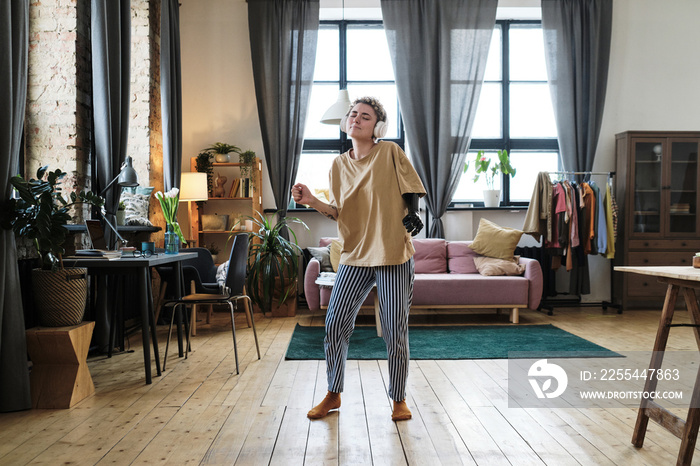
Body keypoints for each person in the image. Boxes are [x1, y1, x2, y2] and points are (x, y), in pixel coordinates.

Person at [292, 96, 426, 421]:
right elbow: (338, 212)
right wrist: (311, 200)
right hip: (354, 255)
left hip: (393, 253)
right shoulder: (338, 165)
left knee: (395, 330)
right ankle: (333, 393)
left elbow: (410, 188)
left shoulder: (390, 152)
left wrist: (413, 214)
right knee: (335, 324)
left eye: (365, 116)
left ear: (376, 126)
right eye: (353, 114)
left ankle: (398, 398)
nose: (356, 119)